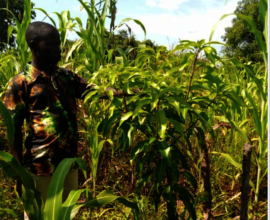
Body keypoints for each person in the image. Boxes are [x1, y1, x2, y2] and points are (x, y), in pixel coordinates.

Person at [3, 21, 114, 211]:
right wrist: (18, 170)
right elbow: (13, 131)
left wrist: (126, 92)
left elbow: (96, 91)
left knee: (67, 213)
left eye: (59, 44)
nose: (59, 50)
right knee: (39, 215)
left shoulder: (66, 77)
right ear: (33, 45)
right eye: (52, 44)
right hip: (39, 168)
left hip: (68, 166)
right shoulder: (20, 83)